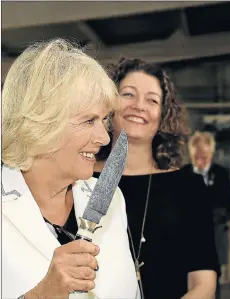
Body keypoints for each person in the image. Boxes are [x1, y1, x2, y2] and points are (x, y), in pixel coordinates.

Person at [1, 39, 139, 299]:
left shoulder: (110, 197)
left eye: (104, 120)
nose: (105, 138)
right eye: (89, 120)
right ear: (41, 123)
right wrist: (41, 295)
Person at [94, 58, 219, 299]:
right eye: (128, 94)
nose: (139, 106)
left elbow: (203, 283)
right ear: (108, 104)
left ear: (163, 115)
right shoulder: (80, 180)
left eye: (152, 100)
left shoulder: (188, 188)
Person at [182, 131, 230, 298]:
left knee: (212, 283)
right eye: (197, 154)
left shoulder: (222, 174)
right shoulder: (182, 174)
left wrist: (219, 215)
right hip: (187, 240)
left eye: (204, 154)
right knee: (187, 282)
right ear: (190, 153)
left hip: (215, 240)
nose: (200, 158)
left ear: (211, 153)